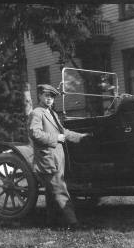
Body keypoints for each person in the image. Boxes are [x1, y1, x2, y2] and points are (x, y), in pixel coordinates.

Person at [28, 84, 90, 230]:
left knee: (52, 192)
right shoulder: (37, 113)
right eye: (46, 96)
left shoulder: (51, 113)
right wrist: (57, 137)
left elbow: (64, 132)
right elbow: (35, 134)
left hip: (57, 158)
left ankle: (52, 221)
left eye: (52, 97)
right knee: (60, 190)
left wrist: (81, 137)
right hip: (48, 159)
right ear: (39, 96)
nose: (49, 99)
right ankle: (73, 223)